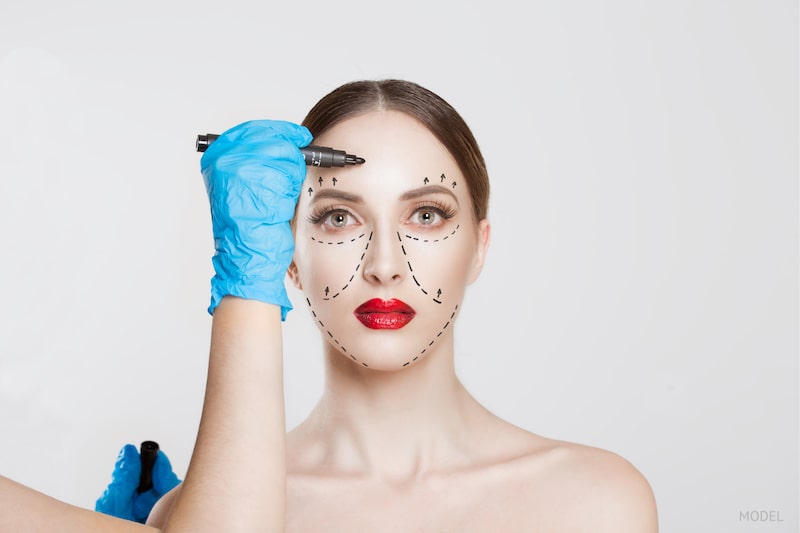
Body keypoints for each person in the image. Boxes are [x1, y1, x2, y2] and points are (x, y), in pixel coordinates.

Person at [0, 79, 658, 532]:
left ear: (479, 246)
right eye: (340, 217)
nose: (384, 264)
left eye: (427, 214)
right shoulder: (198, 512)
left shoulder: (596, 500)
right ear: (283, 250)